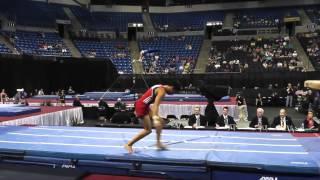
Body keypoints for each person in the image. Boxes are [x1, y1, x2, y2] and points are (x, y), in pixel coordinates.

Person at [125, 84, 176, 153]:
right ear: (171, 87)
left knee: (161, 122)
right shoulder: (162, 91)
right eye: (173, 92)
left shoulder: (160, 86)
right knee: (148, 130)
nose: (171, 94)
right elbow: (156, 105)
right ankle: (129, 144)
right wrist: (155, 117)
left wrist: (156, 117)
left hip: (145, 105)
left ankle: (158, 143)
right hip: (141, 106)